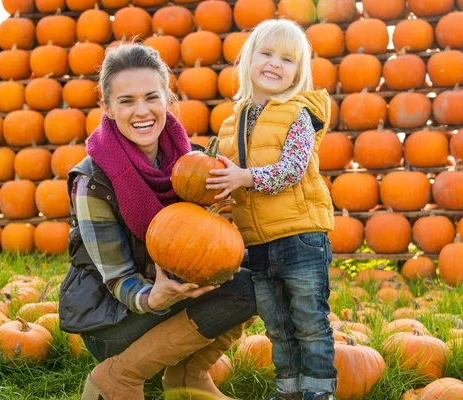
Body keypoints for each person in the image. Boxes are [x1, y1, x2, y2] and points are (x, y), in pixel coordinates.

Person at [58, 44, 256, 400]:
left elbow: (207, 243)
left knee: (255, 281)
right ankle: (117, 376)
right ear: (107, 108)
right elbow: (118, 279)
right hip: (115, 319)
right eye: (126, 101)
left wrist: (223, 211)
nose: (142, 111)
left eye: (151, 97)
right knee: (239, 288)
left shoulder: (194, 165)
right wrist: (153, 297)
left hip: (175, 296)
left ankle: (188, 377)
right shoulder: (93, 181)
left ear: (167, 98)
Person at [205, 19, 337, 400]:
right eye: (266, 53)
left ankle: (318, 392)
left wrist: (244, 177)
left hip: (301, 237)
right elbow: (223, 175)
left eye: (288, 59)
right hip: (259, 241)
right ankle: (288, 390)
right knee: (277, 326)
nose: (275, 64)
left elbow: (293, 170)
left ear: (299, 72)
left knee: (310, 322)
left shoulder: (298, 113)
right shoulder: (232, 123)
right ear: (248, 59)